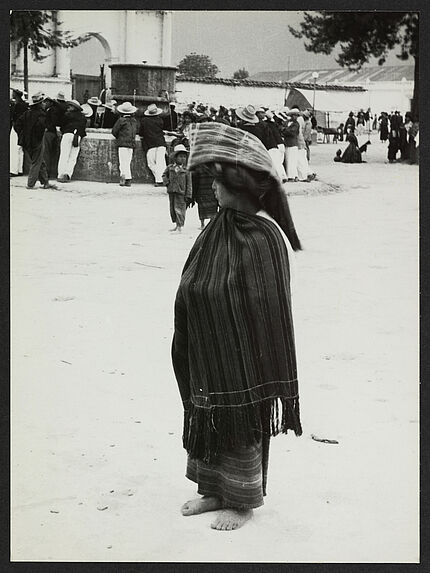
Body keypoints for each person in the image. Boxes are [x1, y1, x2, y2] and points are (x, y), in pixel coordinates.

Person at [172, 122, 302, 531]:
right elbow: (194, 278)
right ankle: (212, 489)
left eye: (218, 183)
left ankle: (241, 500)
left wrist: (226, 313)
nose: (212, 189)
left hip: (244, 355)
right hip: (207, 345)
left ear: (241, 189)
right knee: (206, 411)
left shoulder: (265, 237)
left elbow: (266, 304)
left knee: (240, 418)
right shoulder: (217, 228)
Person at [14, 92, 57, 190]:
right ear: (39, 104)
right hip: (36, 141)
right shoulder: (41, 114)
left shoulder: (26, 113)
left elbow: (17, 125)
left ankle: (45, 182)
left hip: (26, 141)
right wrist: (37, 137)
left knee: (40, 161)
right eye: (42, 102)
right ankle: (30, 184)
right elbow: (40, 128)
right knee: (36, 162)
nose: (44, 104)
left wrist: (22, 135)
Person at [162, 144, 193, 232]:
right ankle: (176, 224)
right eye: (180, 156)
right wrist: (167, 183)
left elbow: (189, 183)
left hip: (181, 193)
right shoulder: (170, 168)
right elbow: (164, 175)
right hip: (172, 191)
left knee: (180, 209)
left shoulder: (186, 170)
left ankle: (180, 226)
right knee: (172, 209)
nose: (183, 158)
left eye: (184, 157)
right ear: (175, 158)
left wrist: (189, 194)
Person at [57, 100, 88, 182]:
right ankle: (68, 174)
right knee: (73, 157)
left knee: (64, 155)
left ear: (74, 107)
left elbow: (61, 125)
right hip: (77, 136)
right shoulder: (82, 117)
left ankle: (60, 174)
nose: (68, 107)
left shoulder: (67, 115)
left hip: (67, 134)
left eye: (70, 106)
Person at [140, 103, 167, 186]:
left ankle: (159, 180)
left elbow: (141, 132)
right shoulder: (160, 120)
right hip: (161, 142)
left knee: (151, 163)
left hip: (150, 144)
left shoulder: (144, 121)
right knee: (161, 162)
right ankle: (163, 178)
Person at [111, 101, 138, 187]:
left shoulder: (121, 120)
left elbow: (114, 131)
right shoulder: (134, 121)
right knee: (128, 161)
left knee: (123, 162)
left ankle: (123, 178)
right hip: (131, 144)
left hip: (122, 143)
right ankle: (128, 179)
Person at [10, 89, 28, 177]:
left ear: (15, 95)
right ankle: (20, 169)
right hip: (23, 129)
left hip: (16, 128)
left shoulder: (17, 105)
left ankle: (14, 170)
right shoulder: (24, 105)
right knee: (20, 149)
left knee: (14, 149)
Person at [282, 108, 300, 181]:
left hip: (292, 143)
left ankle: (292, 176)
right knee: (288, 160)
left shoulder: (296, 124)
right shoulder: (288, 122)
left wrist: (284, 130)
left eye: (296, 115)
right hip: (287, 143)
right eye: (293, 115)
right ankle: (292, 175)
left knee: (292, 160)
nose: (295, 117)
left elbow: (292, 132)